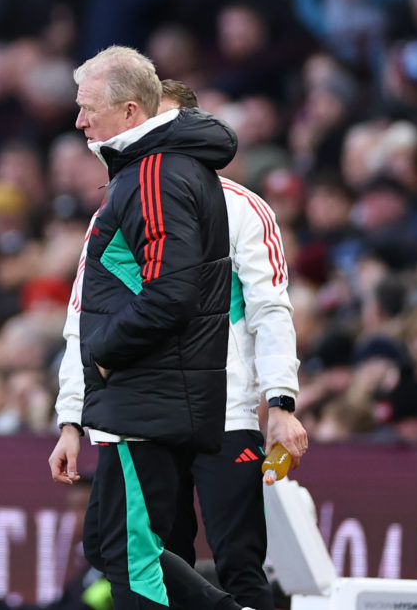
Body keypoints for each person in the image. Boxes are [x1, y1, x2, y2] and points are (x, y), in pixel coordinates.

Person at [48, 46, 250, 610]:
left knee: (130, 556)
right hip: (147, 393)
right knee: (111, 544)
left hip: (150, 392)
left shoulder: (156, 174)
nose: (79, 120)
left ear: (131, 111)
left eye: (88, 108)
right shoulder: (150, 170)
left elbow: (171, 292)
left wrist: (104, 355)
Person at [160, 80, 309, 610]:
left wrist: (281, 403)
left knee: (238, 561)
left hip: (228, 414)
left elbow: (271, 309)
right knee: (158, 563)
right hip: (151, 414)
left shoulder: (245, 208)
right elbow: (86, 314)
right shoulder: (122, 210)